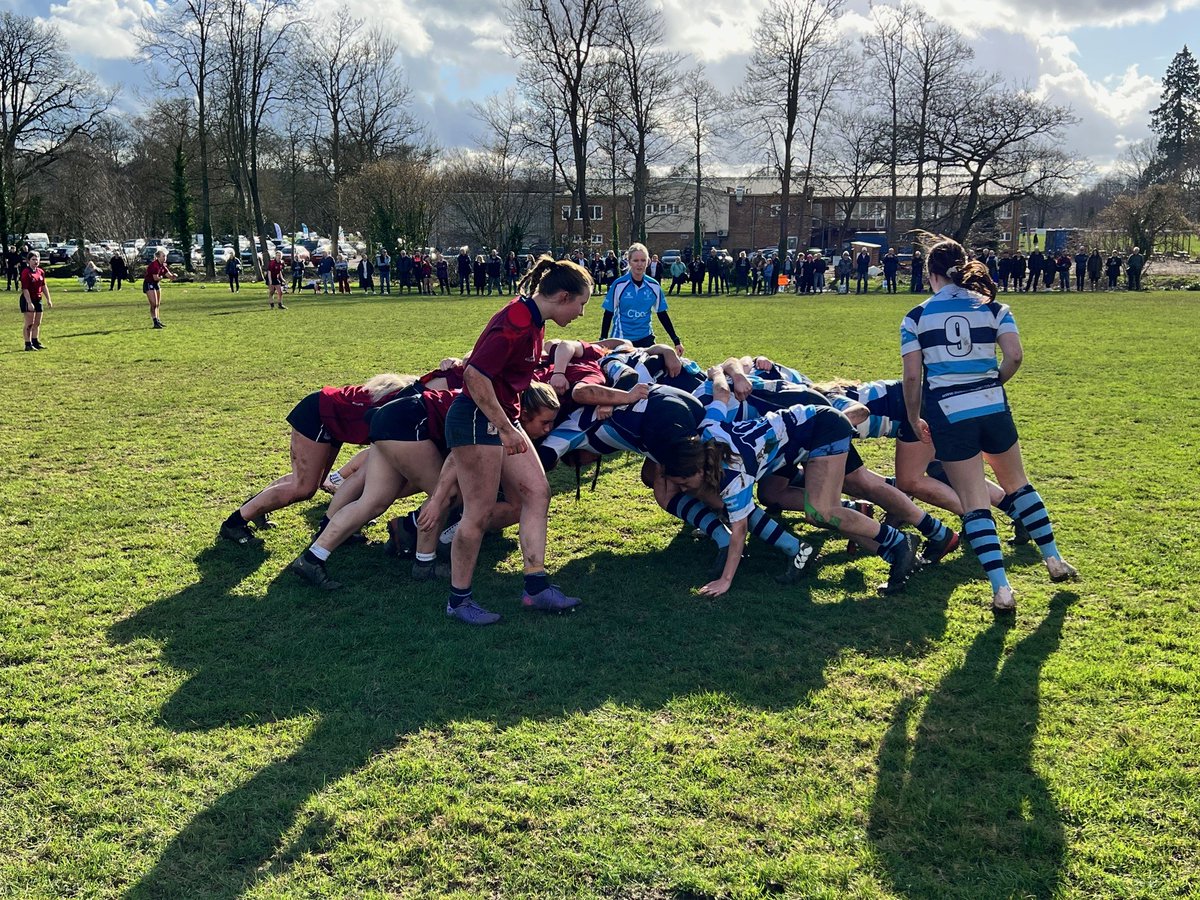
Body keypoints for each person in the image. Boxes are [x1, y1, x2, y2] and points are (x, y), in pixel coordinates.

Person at [901, 235, 1077, 614]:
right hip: (994, 408)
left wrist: (915, 416)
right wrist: (993, 382)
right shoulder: (995, 307)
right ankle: (1055, 560)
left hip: (950, 414)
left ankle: (1002, 590)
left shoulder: (916, 316)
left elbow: (912, 378)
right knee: (1019, 484)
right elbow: (1014, 355)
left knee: (975, 503)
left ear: (932, 274)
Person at [418, 257, 593, 625]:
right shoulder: (516, 321)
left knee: (536, 492)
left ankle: (535, 588)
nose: (580, 313)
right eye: (581, 304)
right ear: (563, 296)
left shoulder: (534, 321)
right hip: (478, 420)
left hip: (501, 418)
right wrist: (505, 427)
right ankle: (459, 600)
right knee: (478, 513)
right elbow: (475, 377)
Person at [662, 367, 921, 596]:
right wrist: (717, 372)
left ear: (698, 469)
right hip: (811, 425)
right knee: (821, 513)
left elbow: (739, 533)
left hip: (821, 426)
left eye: (684, 483)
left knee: (821, 510)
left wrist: (725, 580)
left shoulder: (734, 475)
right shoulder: (709, 430)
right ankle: (895, 553)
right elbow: (721, 393)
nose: (684, 490)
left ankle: (901, 542)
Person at [218, 374, 418, 545]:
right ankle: (233, 524)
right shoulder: (414, 401)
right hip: (319, 415)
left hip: (330, 419)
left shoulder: (418, 393)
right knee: (303, 487)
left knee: (311, 480)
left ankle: (256, 507)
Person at [599, 243, 683, 355]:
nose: (639, 264)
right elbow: (608, 313)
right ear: (629, 262)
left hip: (646, 339)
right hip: (622, 340)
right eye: (635, 260)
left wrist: (676, 341)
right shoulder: (619, 285)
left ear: (648, 262)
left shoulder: (654, 285)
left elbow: (662, 313)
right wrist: (602, 342)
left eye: (643, 260)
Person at [19, 250, 51, 351]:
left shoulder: (40, 271)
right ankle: (28, 344)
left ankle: (35, 341)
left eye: (37, 259)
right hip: (28, 299)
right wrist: (29, 303)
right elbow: (25, 289)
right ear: (28, 261)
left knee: (37, 322)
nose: (35, 261)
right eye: (33, 259)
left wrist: (48, 299)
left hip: (38, 299)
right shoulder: (26, 272)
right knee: (29, 323)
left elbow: (44, 286)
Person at [143, 248, 174, 328]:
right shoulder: (154, 265)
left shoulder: (162, 266)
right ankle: (155, 321)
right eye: (163, 256)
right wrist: (161, 277)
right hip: (149, 283)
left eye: (165, 256)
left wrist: (174, 276)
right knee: (153, 304)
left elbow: (169, 276)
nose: (165, 258)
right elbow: (155, 278)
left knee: (157, 304)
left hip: (156, 284)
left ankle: (158, 320)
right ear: (158, 257)